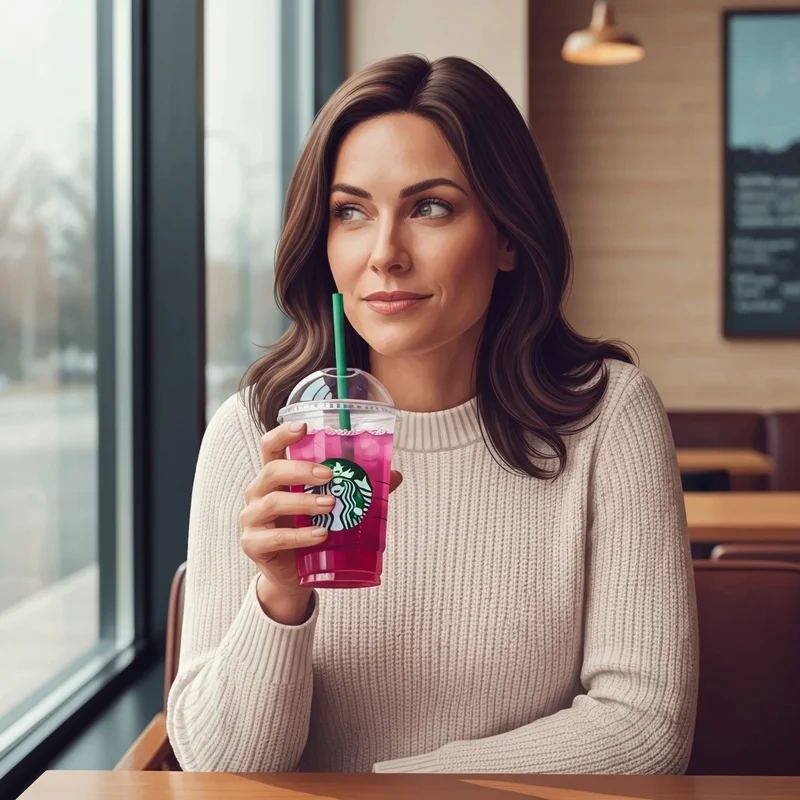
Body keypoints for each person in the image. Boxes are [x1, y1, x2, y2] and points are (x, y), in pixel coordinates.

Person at [166, 54, 698, 774]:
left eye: (430, 207)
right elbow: (223, 773)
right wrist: (279, 597)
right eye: (351, 212)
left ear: (508, 236)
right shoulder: (256, 433)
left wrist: (401, 790)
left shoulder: (608, 416)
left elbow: (644, 729)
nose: (385, 255)